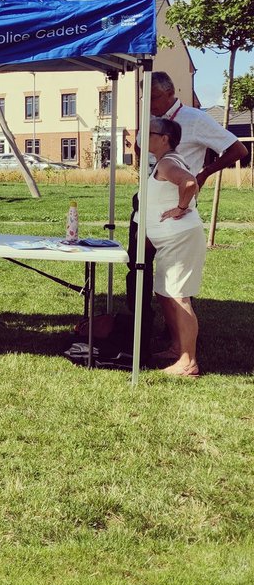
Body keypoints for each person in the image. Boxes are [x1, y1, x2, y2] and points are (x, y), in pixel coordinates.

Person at [127, 71, 248, 356]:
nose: (150, 104)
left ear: (171, 93)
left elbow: (238, 149)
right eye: (146, 98)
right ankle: (140, 326)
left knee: (175, 279)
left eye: (155, 97)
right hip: (146, 204)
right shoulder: (150, 120)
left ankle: (180, 341)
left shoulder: (195, 119)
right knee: (138, 266)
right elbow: (139, 148)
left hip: (175, 210)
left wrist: (203, 173)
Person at [144, 116, 207, 377]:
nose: (144, 136)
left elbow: (189, 182)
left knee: (179, 296)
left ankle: (188, 362)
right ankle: (177, 348)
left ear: (164, 139)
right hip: (171, 240)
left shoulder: (167, 163)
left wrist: (180, 208)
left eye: (150, 133)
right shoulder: (166, 161)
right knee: (165, 293)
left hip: (179, 239)